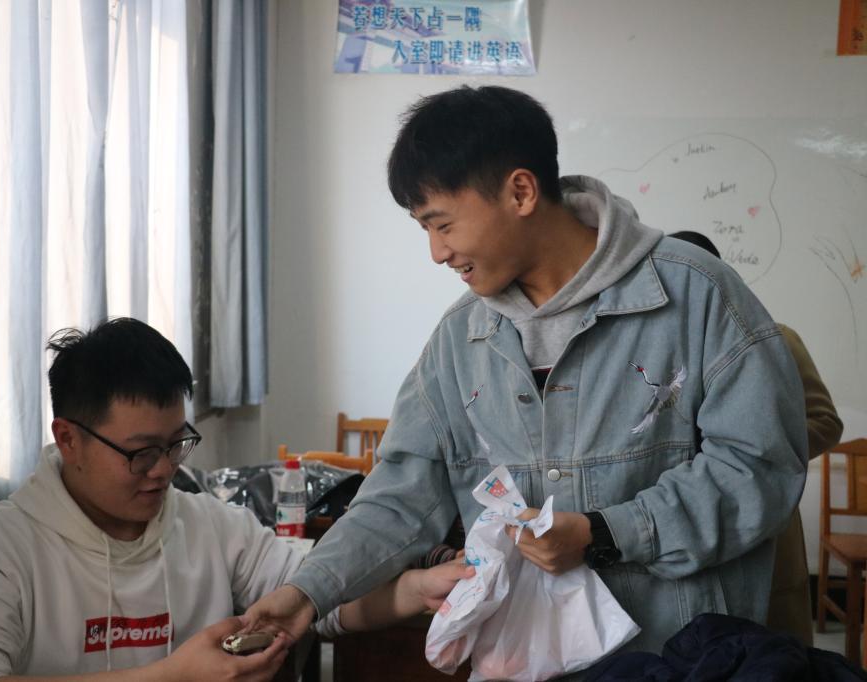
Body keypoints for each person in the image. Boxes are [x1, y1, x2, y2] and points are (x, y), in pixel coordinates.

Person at [244, 85, 810, 673]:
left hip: (681, 659)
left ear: (520, 191)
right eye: (424, 230)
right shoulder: (459, 340)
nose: (437, 253)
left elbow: (760, 469)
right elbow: (398, 495)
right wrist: (306, 592)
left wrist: (605, 533)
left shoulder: (698, 295)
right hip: (523, 663)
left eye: (443, 224)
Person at [0, 318, 470, 682]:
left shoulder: (212, 527)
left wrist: (414, 590)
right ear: (68, 439)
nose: (164, 470)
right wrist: (170, 676)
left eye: (176, 443)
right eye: (140, 452)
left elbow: (317, 597)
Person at [670, 230, 844, 645]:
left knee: (774, 650)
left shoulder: (776, 339)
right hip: (687, 529)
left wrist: (757, 446)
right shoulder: (661, 354)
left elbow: (826, 422)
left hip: (765, 524)